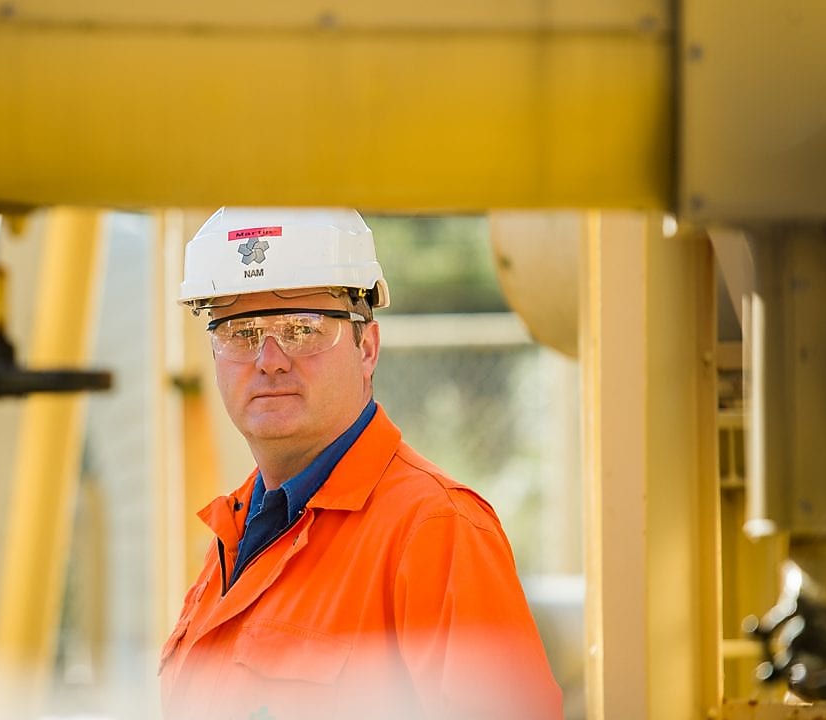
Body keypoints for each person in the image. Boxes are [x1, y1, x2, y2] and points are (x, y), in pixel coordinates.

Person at [157, 208, 562, 720]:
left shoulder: (436, 531)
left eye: (302, 329)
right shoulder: (238, 532)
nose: (270, 360)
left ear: (366, 348)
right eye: (241, 333)